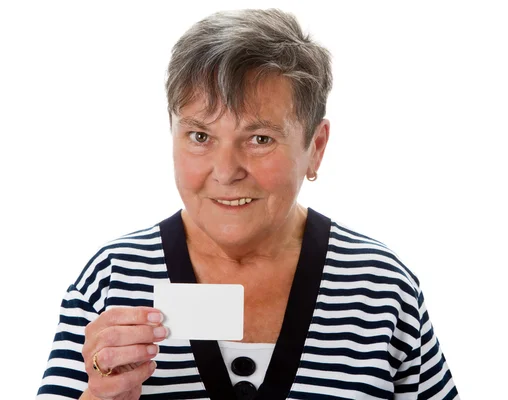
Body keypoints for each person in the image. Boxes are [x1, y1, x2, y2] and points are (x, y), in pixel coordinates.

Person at [37, 8, 459, 400]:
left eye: (260, 139)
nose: (225, 170)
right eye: (200, 137)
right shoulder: (111, 278)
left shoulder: (382, 287)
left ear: (315, 146)